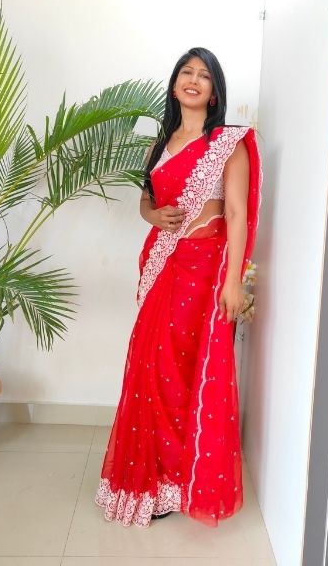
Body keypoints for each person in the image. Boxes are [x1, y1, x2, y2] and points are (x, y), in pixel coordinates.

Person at [95, 46, 262, 528]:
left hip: (204, 270)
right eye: (186, 72)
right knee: (150, 367)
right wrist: (154, 215)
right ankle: (154, 478)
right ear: (174, 84)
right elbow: (146, 203)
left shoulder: (227, 145)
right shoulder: (161, 142)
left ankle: (178, 476)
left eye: (203, 75)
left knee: (182, 370)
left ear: (214, 93)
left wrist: (233, 282)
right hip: (162, 266)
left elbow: (235, 215)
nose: (193, 80)